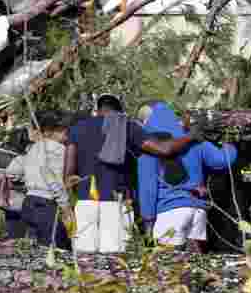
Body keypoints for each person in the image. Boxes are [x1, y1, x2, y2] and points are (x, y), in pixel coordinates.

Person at [64, 94, 199, 253]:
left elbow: (68, 174)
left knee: (83, 258)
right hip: (116, 202)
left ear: (97, 109)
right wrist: (191, 136)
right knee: (114, 260)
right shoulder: (126, 126)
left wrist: (71, 204)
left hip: (85, 202)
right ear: (120, 110)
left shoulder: (77, 128)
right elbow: (164, 149)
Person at [136, 102, 237, 252]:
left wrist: (148, 228)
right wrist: (229, 142)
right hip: (197, 211)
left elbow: (148, 189)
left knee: (167, 269)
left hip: (170, 212)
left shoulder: (151, 145)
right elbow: (223, 160)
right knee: (194, 268)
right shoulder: (193, 139)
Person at [0, 111, 71, 249]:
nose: (66, 136)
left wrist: (26, 178)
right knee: (51, 250)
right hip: (46, 205)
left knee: (33, 249)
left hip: (29, 203)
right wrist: (65, 206)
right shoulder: (59, 150)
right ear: (53, 131)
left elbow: (12, 172)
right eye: (64, 132)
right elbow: (53, 180)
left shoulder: (32, 148)